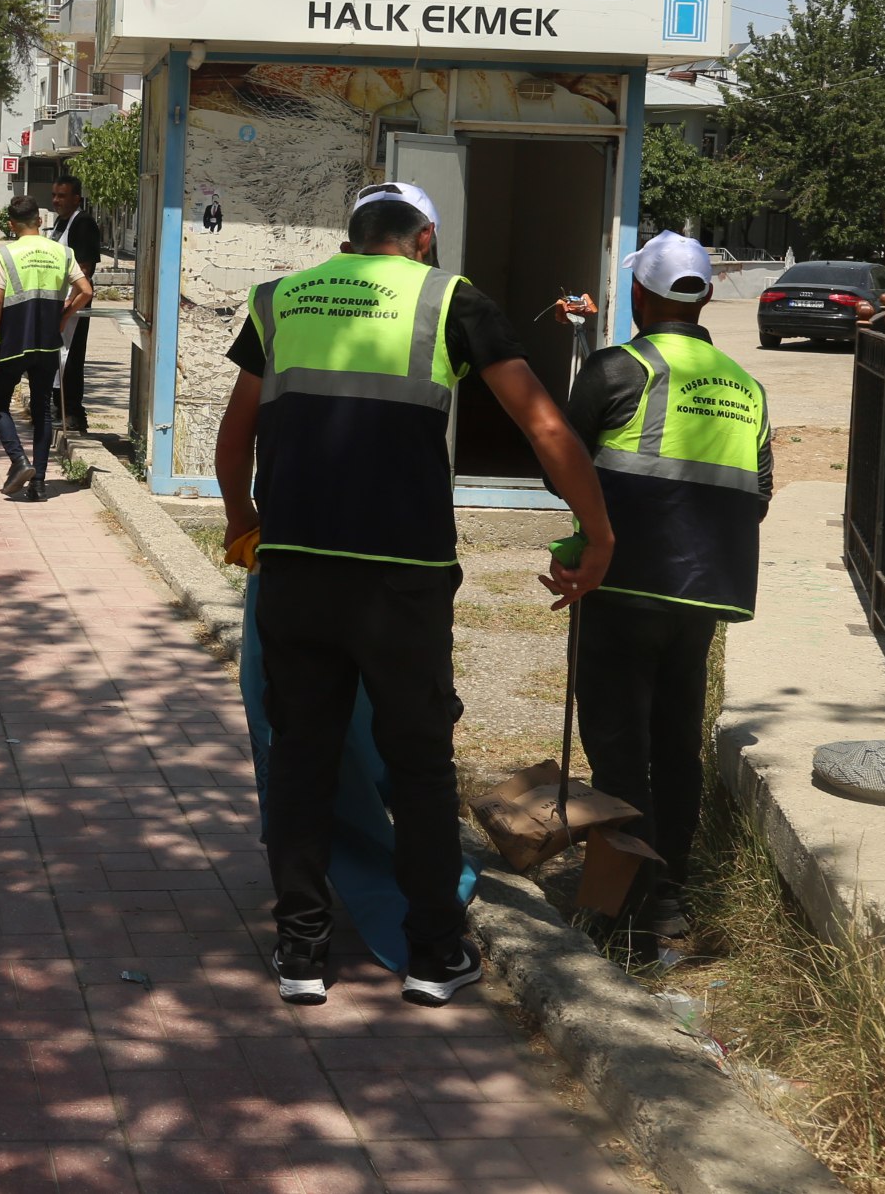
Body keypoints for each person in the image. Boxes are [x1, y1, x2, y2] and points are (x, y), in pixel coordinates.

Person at [213, 180, 614, 1009]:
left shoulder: (279, 299)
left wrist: (242, 518)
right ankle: (434, 953)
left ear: (352, 235)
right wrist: (597, 531)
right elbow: (543, 425)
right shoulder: (450, 299)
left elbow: (235, 431)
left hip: (295, 568)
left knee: (302, 756)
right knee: (419, 759)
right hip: (404, 578)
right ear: (424, 237)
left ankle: (300, 951)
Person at [565, 231, 771, 938]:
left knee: (619, 748)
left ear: (639, 297)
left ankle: (623, 908)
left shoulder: (615, 368)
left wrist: (588, 536)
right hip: (703, 594)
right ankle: (672, 896)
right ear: (708, 295)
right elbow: (759, 490)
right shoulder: (747, 386)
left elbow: (562, 463)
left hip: (621, 586)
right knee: (674, 744)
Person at [0, 195, 95, 501]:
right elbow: (85, 290)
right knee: (43, 410)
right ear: (40, 221)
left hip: (15, 342)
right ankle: (40, 483)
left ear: (11, 225)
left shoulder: (6, 254)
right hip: (47, 344)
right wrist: (65, 316)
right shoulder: (62, 252)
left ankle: (19, 461)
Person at [48, 174, 103, 433]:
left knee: (70, 358)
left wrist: (70, 305)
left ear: (76, 198)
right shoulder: (60, 222)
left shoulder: (83, 224)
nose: (56, 200)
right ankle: (57, 407)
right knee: (57, 357)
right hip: (58, 302)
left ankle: (73, 412)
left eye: (62, 195)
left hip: (76, 301)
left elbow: (84, 268)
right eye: (54, 195)